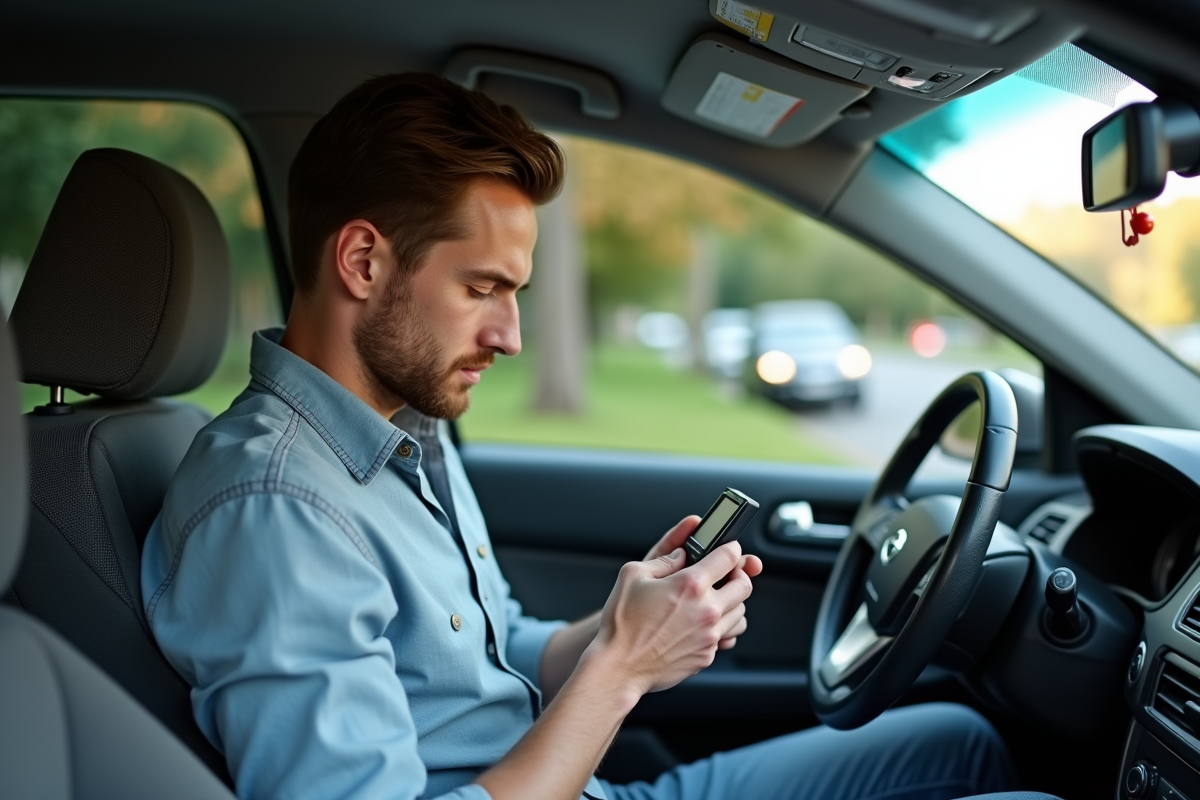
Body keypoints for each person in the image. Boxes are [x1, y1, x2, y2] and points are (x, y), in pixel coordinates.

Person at [143, 72, 1018, 800]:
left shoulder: (398, 430)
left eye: (514, 293)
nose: (510, 336)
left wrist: (624, 622)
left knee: (961, 738)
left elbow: (495, 655)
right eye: (483, 287)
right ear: (363, 261)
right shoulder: (276, 509)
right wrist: (625, 668)